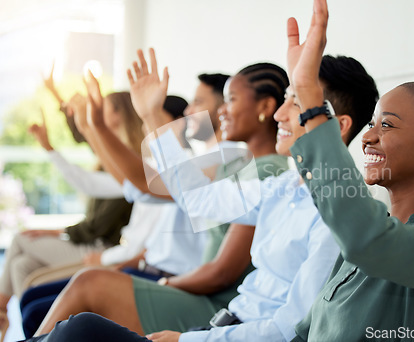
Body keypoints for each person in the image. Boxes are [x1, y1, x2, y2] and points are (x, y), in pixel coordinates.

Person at [28, 50, 379, 342]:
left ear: (338, 124)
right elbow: (192, 197)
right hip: (220, 324)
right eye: (285, 100)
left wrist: (186, 338)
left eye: (295, 102)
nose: (279, 115)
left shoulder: (340, 214)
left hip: (224, 328)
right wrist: (151, 114)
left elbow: (287, 327)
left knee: (80, 325)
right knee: (73, 326)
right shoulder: (282, 185)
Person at [282, 0, 414, 340]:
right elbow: (309, 330)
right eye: (370, 124)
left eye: (388, 126)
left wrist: (309, 95)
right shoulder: (365, 231)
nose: (367, 137)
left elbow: (369, 241)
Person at [19, 95, 193, 339]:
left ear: (178, 122)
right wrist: (88, 127)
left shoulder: (190, 171)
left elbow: (149, 246)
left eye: (152, 115)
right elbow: (102, 183)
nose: (146, 122)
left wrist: (92, 126)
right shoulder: (154, 167)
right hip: (138, 263)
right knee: (31, 298)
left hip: (148, 269)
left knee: (37, 308)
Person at [0, 90, 143, 340]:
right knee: (22, 265)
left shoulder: (134, 164)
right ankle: (38, 337)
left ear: (121, 115)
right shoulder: (109, 157)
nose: (95, 114)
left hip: (100, 247)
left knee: (21, 240)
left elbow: (98, 223)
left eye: (103, 109)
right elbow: (83, 138)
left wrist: (53, 231)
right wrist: (57, 95)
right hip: (95, 244)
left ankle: (2, 312)